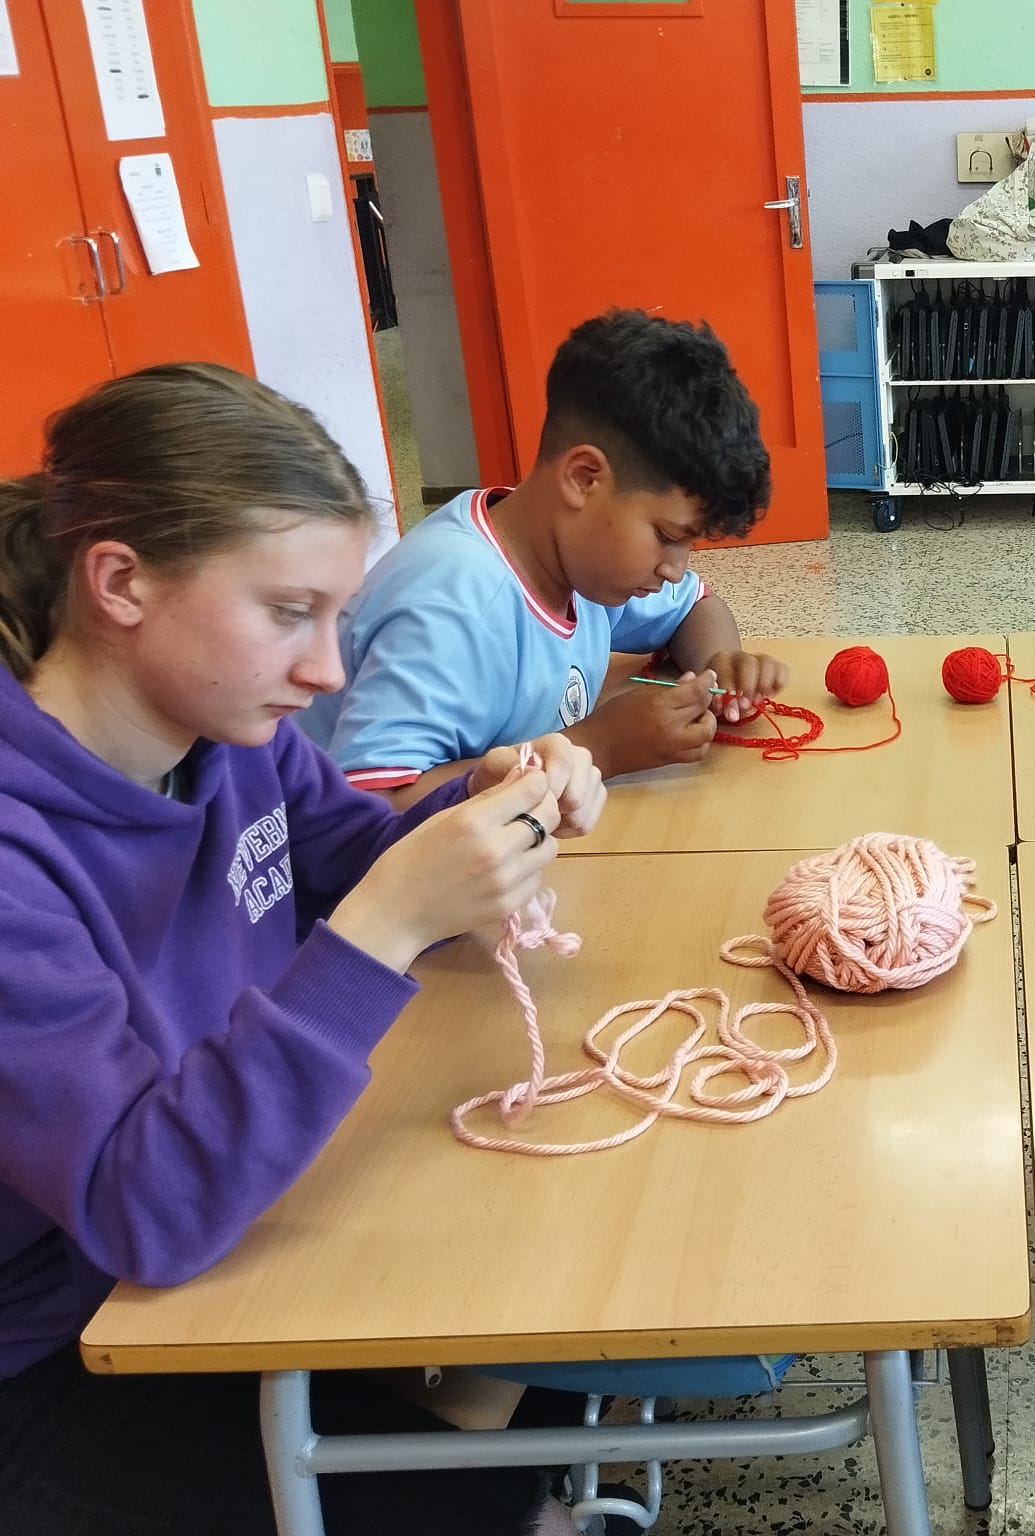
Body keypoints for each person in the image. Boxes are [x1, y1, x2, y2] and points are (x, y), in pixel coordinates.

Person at [0, 363, 603, 1535]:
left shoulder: (225, 728)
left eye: (335, 615)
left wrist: (481, 811)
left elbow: (352, 858)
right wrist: (388, 924)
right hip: (58, 1341)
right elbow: (143, 1211)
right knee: (499, 1504)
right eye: (289, 613)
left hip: (229, 1229)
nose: (327, 669)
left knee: (568, 1335)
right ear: (119, 582)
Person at [300, 309, 788, 804]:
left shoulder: (576, 556)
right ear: (583, 478)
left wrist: (720, 666)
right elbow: (374, 805)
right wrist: (600, 747)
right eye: (666, 535)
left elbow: (694, 607)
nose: (675, 569)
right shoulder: (453, 606)